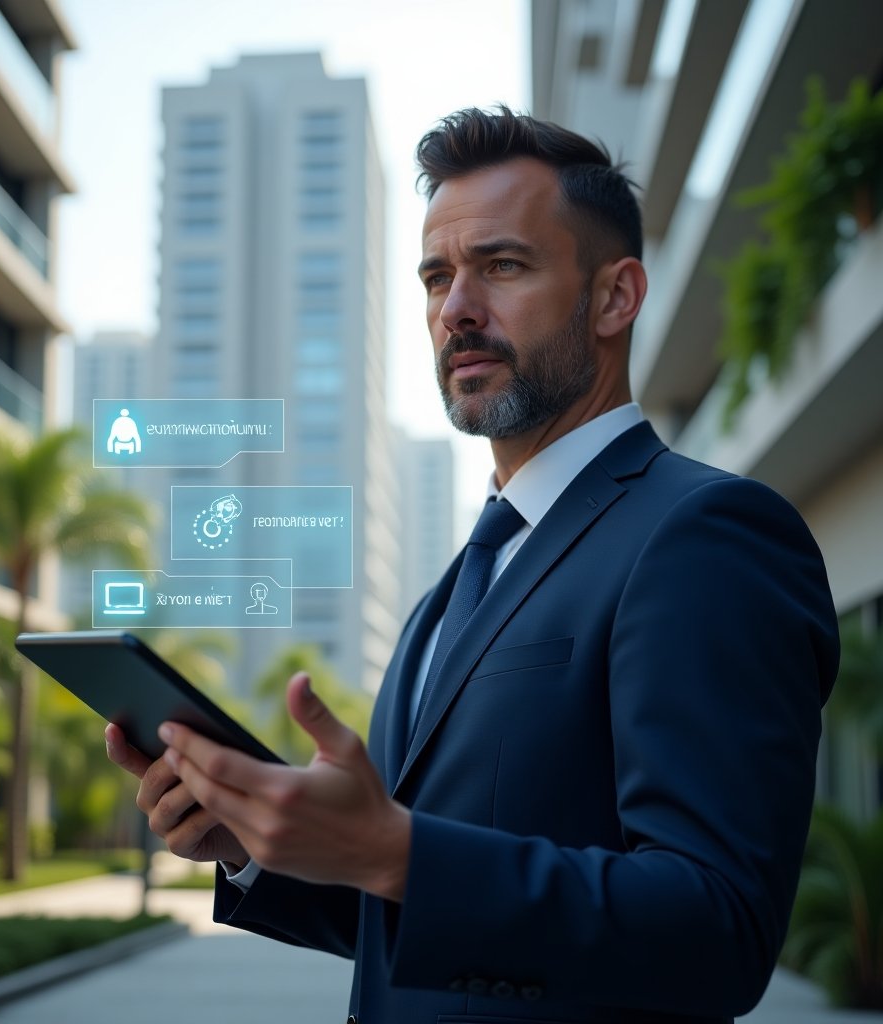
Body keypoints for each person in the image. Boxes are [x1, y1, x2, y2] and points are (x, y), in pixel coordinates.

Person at [106, 107, 839, 1023]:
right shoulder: (452, 590)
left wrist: (397, 852)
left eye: (503, 265)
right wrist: (258, 844)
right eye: (436, 277)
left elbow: (716, 930)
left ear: (615, 297)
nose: (456, 310)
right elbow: (415, 925)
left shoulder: (707, 535)